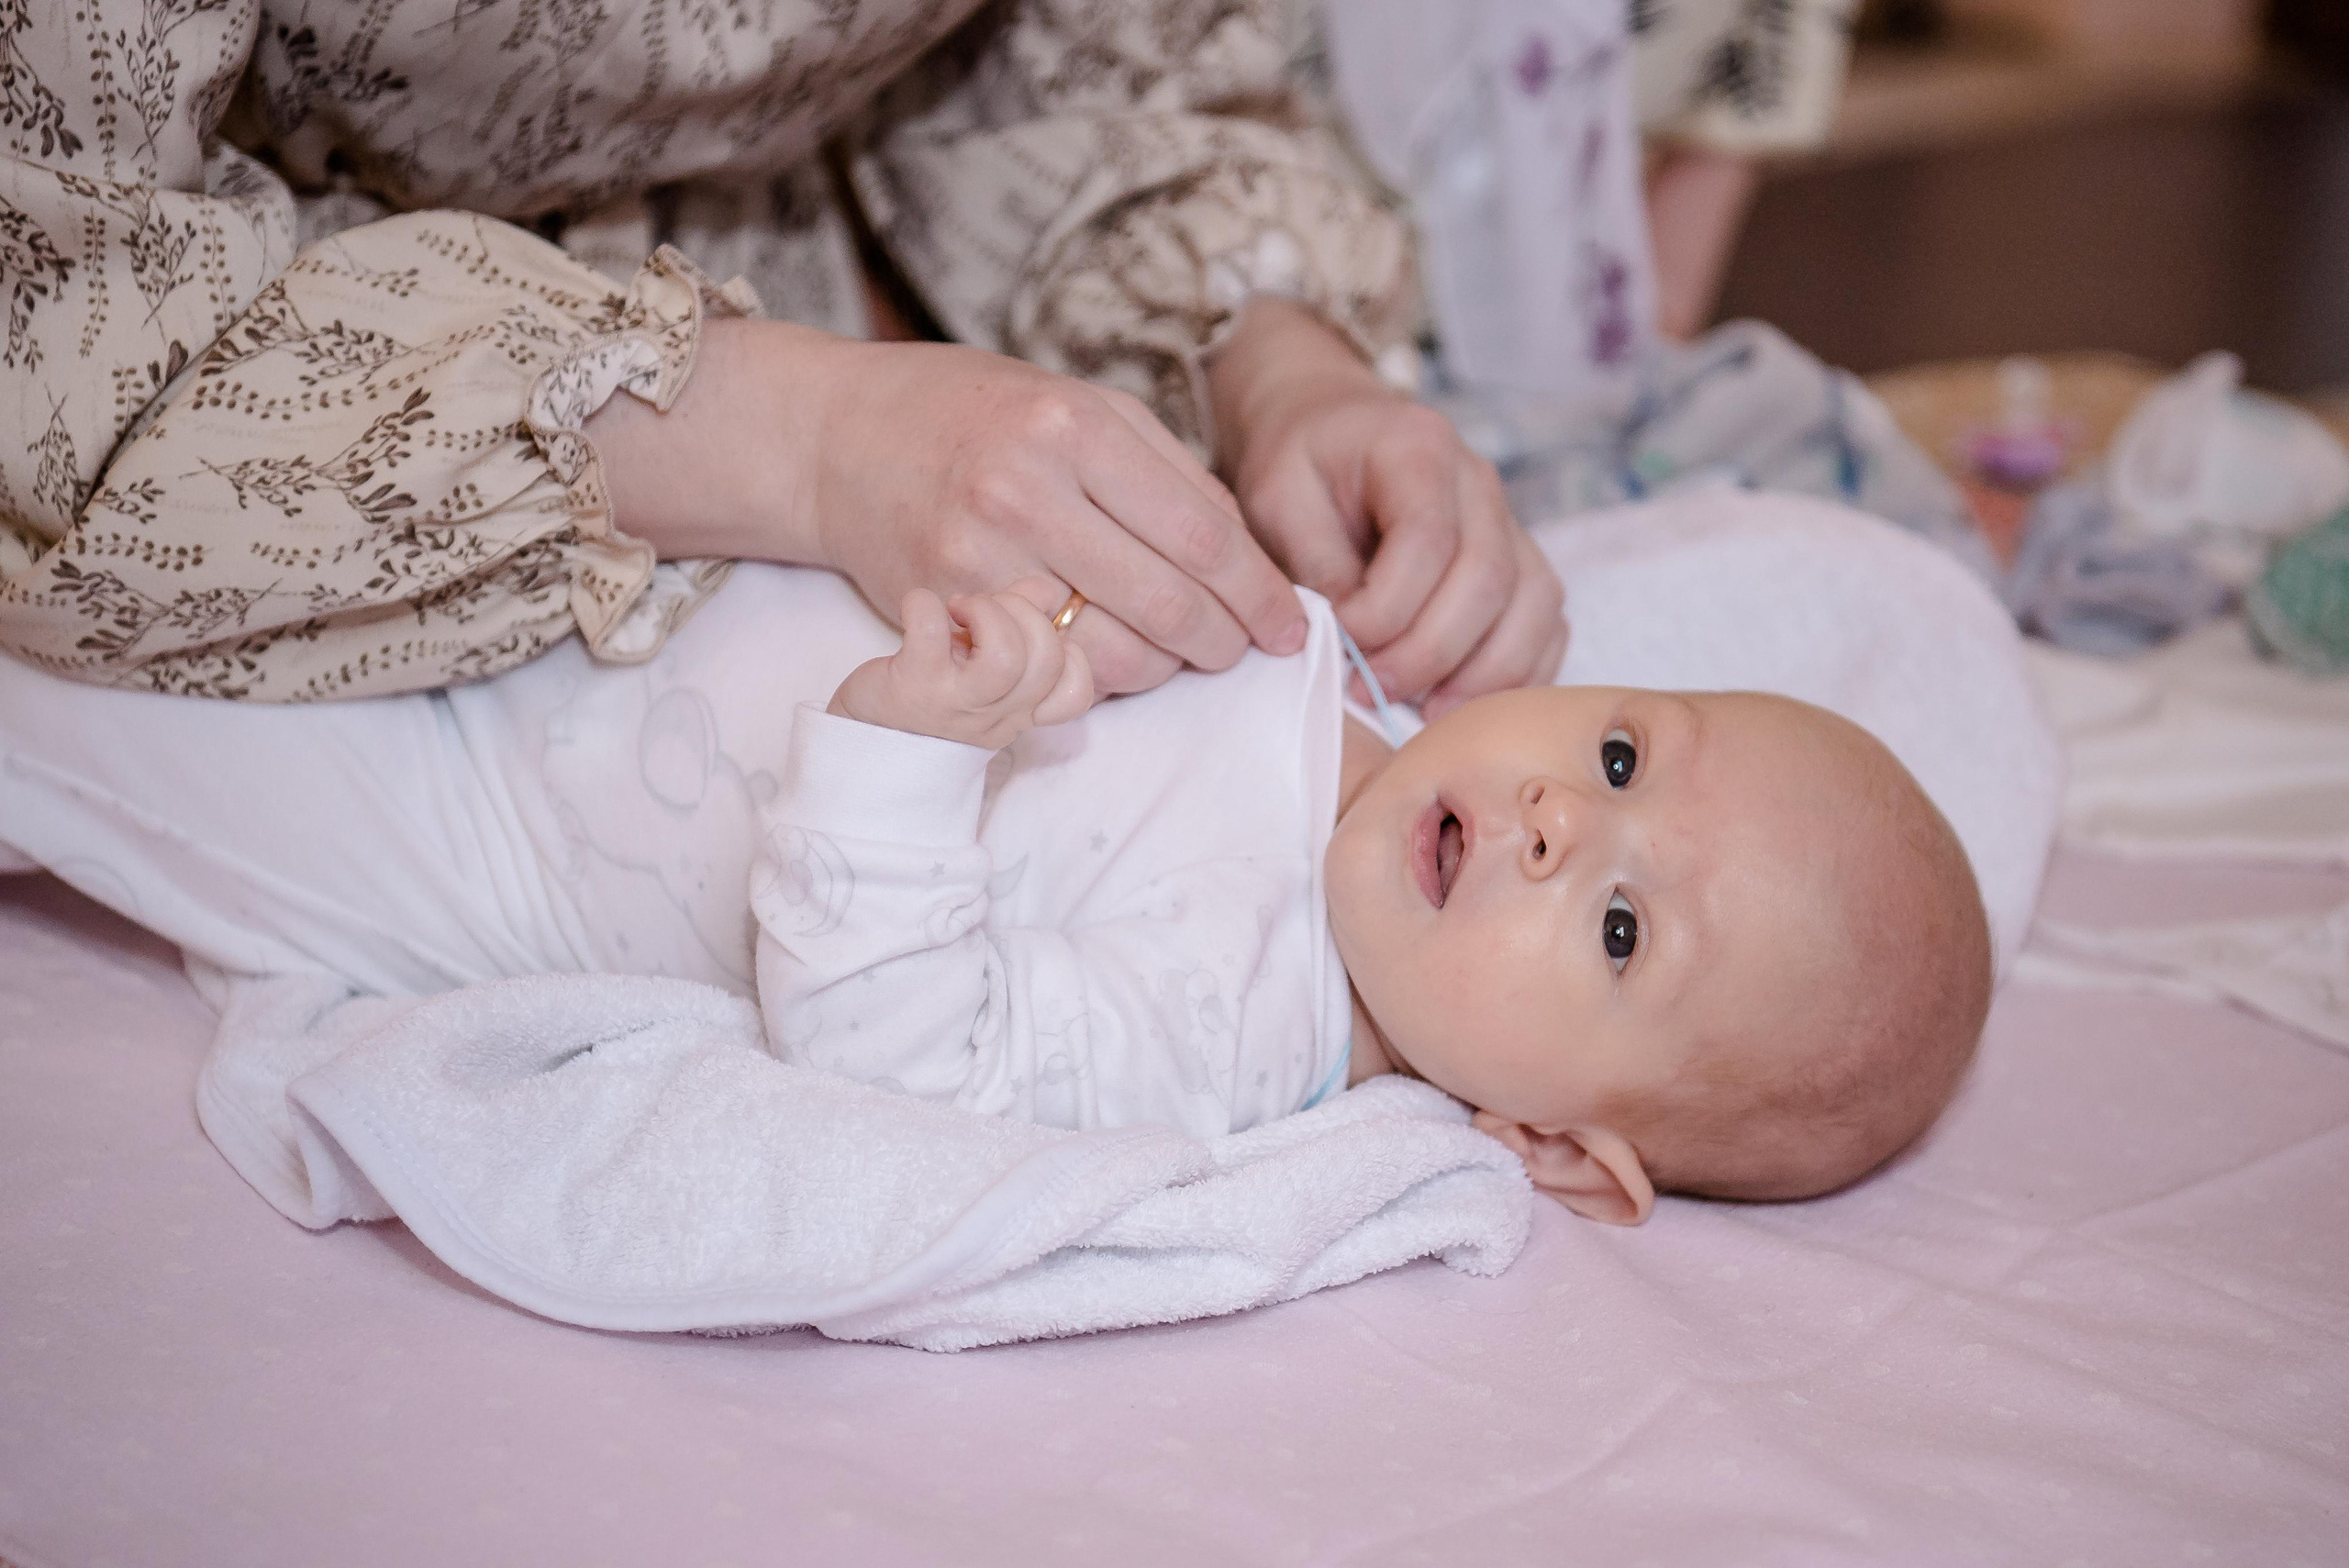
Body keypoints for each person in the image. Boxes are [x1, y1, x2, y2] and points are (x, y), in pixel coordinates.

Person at [0, 0, 1559, 717]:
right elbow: (66, 335)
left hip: (902, 385)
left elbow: (1077, 69)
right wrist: (798, 439)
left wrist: (1281, 367)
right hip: (312, 514)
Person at [756, 576, 1992, 1223]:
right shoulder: (1357, 676)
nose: (1565, 815)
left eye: (1623, 930)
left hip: (593, 782)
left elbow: (901, 1067)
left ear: (1550, 1140)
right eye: (1620, 759)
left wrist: (897, 760)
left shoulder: (1242, 1020)